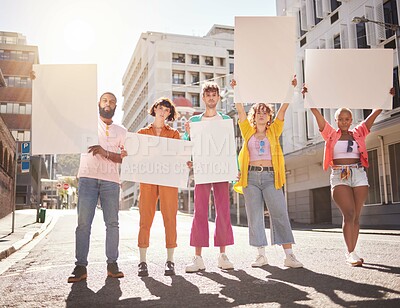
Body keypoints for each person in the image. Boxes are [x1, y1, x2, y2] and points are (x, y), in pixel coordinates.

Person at [303, 86, 394, 266]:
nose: (344, 122)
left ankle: (353, 250)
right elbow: (316, 113)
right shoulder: (330, 134)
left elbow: (374, 114)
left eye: (347, 119)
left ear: (351, 120)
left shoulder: (359, 132)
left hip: (359, 173)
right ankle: (350, 253)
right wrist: (308, 97)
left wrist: (386, 97)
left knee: (356, 216)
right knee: (349, 213)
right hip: (339, 175)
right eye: (340, 119)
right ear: (336, 120)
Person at [231, 78, 303, 269]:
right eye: (258, 112)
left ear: (268, 117)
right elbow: (239, 110)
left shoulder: (274, 131)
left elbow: (283, 109)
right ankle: (260, 255)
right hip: (251, 178)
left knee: (279, 212)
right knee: (254, 216)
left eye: (265, 112)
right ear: (253, 116)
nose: (261, 115)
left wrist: (290, 88)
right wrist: (236, 89)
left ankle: (289, 255)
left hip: (271, 177)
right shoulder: (247, 131)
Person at [68, 92, 127, 283]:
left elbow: (122, 158)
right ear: (99, 104)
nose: (108, 104)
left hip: (111, 180)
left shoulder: (122, 131)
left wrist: (105, 152)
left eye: (111, 101)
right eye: (105, 100)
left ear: (116, 106)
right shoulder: (87, 125)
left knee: (112, 223)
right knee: (83, 223)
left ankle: (112, 264)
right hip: (87, 178)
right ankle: (80, 267)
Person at [184, 81, 235, 273]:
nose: (211, 97)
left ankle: (222, 255)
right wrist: (188, 140)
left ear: (218, 98)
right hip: (202, 170)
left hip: (221, 170)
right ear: (204, 98)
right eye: (208, 95)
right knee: (200, 212)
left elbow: (230, 147)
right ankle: (198, 258)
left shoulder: (224, 120)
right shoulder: (195, 122)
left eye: (215, 94)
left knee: (223, 210)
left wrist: (234, 169)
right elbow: (187, 145)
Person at [136, 97, 180, 277]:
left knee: (170, 217)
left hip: (168, 179)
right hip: (147, 178)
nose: (163, 112)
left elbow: (178, 157)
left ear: (170, 113)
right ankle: (142, 262)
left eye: (166, 110)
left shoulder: (174, 134)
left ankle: (170, 260)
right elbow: (135, 156)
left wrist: (185, 163)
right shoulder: (142, 132)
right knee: (145, 217)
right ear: (154, 109)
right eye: (160, 108)